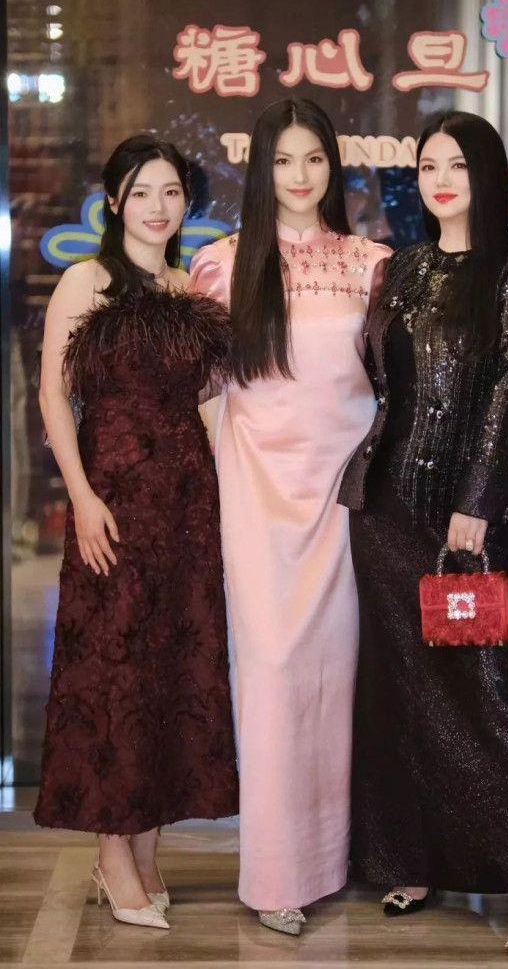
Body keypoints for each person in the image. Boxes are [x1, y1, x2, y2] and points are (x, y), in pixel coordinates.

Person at [338, 110, 508, 958]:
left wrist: (477, 500)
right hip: (385, 508)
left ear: (486, 174)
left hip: (464, 517)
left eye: (457, 165)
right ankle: (413, 858)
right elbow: (383, 381)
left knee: (487, 688)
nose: (442, 180)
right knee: (401, 688)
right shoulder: (403, 267)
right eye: (428, 166)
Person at [191, 98, 391, 935]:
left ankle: (334, 856)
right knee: (271, 674)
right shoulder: (220, 264)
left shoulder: (373, 264)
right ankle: (276, 872)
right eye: (283, 160)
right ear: (260, 170)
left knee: (337, 676)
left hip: (348, 495)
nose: (300, 176)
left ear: (333, 166)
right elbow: (203, 388)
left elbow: (392, 384)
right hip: (258, 495)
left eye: (314, 159)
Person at [35, 135, 238, 929]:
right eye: (143, 191)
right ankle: (112, 850)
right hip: (112, 507)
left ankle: (147, 845)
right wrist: (82, 497)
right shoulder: (85, 281)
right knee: (111, 673)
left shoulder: (192, 289)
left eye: (172, 192)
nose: (158, 207)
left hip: (187, 509)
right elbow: (53, 398)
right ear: (115, 200)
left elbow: (215, 404)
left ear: (187, 203)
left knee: (171, 674)